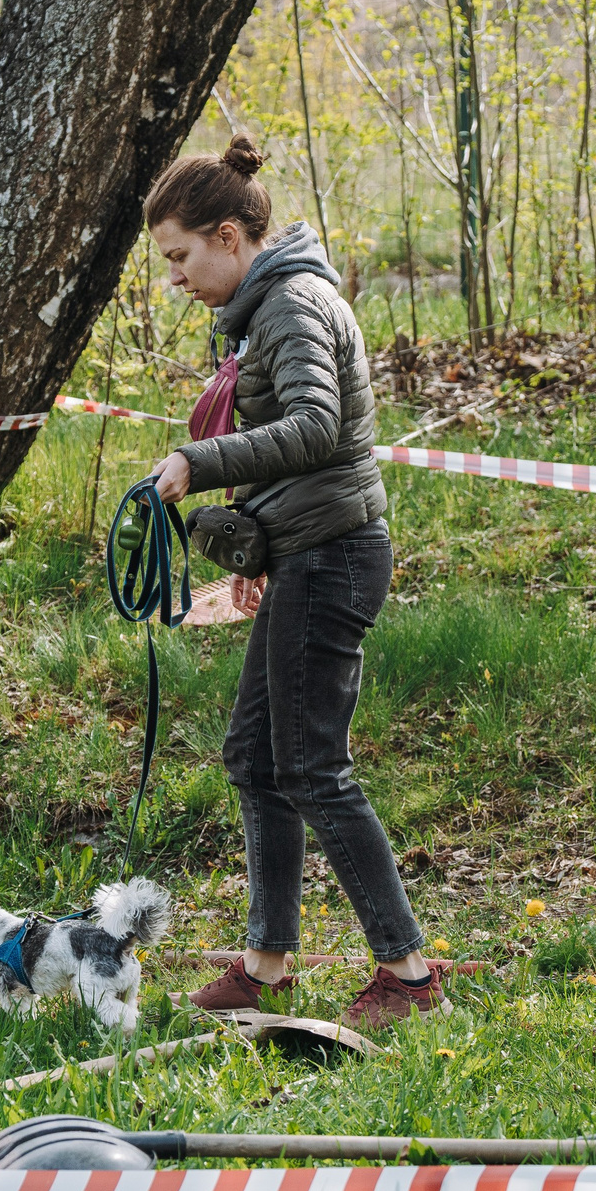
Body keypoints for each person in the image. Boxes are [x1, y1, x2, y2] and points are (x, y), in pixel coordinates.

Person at [146, 136, 442, 1030]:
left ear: (229, 236)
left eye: (181, 257)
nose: (175, 279)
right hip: (306, 552)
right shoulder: (269, 306)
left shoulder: (292, 307)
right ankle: (265, 966)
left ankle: (409, 976)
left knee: (311, 768)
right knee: (256, 759)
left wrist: (200, 462)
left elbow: (316, 426)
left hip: (334, 556)